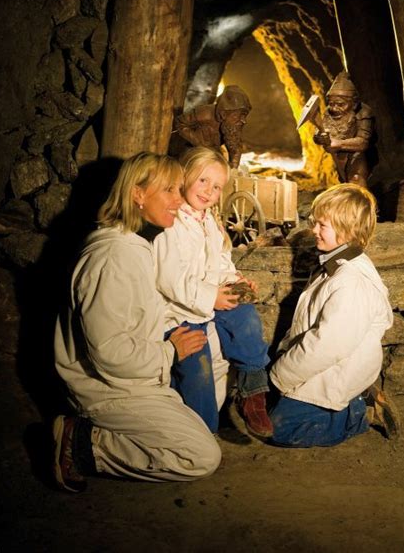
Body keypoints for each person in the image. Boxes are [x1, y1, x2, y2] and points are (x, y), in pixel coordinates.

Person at [52, 152, 222, 492]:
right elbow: (110, 353)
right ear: (137, 194)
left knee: (200, 430)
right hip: (108, 388)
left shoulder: (135, 244)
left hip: (137, 380)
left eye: (178, 189)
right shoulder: (113, 257)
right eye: (169, 191)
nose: (179, 199)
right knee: (202, 457)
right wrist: (169, 351)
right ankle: (83, 443)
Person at [153, 146, 273, 438]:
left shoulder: (207, 220)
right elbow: (170, 280)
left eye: (217, 186)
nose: (209, 191)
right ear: (186, 177)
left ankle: (252, 393)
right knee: (199, 372)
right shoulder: (172, 223)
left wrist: (235, 281)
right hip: (180, 313)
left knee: (246, 317)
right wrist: (212, 297)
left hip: (208, 298)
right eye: (203, 181)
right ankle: (199, 432)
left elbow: (219, 260)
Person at [269, 182, 400, 448]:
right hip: (327, 366)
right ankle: (353, 401)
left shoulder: (351, 282)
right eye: (315, 223)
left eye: (322, 225)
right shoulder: (337, 265)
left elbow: (327, 345)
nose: (314, 230)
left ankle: (361, 412)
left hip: (339, 370)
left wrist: (281, 374)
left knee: (278, 430)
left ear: (346, 230)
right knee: (270, 408)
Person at [313, 71, 375, 187]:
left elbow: (363, 142)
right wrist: (319, 137)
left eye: (341, 104)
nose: (335, 108)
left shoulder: (363, 112)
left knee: (356, 179)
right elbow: (321, 130)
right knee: (344, 180)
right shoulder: (329, 112)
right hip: (339, 156)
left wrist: (339, 144)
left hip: (358, 154)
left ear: (354, 103)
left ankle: (362, 203)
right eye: (331, 104)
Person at [174, 85, 252, 169]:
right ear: (224, 114)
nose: (244, 121)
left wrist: (232, 168)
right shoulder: (204, 114)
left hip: (213, 155)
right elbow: (180, 123)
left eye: (244, 116)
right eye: (239, 116)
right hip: (194, 153)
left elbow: (235, 148)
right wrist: (197, 142)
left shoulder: (233, 127)